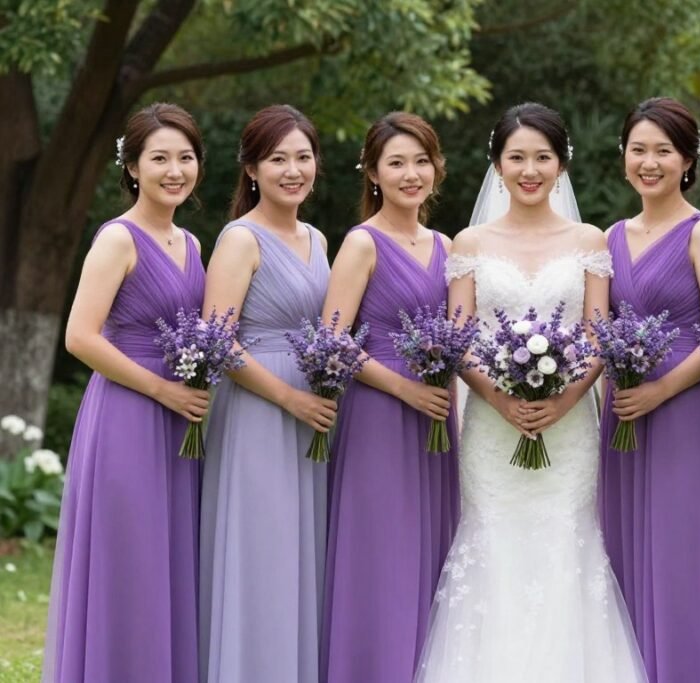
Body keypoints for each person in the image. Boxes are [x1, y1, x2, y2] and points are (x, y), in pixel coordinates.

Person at [415, 102, 647, 682]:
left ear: (561, 164)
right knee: (493, 544)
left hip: (570, 429)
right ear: (497, 165)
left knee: (568, 543)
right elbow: (460, 338)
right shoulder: (467, 243)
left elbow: (598, 333)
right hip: (492, 429)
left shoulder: (590, 239)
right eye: (517, 157)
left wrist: (565, 399)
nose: (530, 169)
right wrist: (499, 397)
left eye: (542, 157)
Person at [43, 103, 207, 683]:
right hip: (127, 416)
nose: (174, 170)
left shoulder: (190, 243)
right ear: (133, 167)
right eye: (159, 158)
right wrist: (163, 390)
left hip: (179, 420)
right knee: (129, 561)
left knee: (167, 561)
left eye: (185, 158)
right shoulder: (118, 238)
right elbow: (80, 337)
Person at [599, 96, 700, 682]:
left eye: (663, 150)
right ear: (624, 158)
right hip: (624, 413)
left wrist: (661, 392)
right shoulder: (610, 237)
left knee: (684, 553)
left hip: (684, 410)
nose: (649, 162)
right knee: (626, 548)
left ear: (687, 160)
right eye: (639, 150)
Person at [319, 112, 460, 682]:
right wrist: (403, 386)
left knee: (430, 545)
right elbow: (332, 340)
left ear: (437, 169)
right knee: (380, 550)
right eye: (396, 163)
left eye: (421, 162)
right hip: (379, 414)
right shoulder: (361, 243)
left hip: (436, 419)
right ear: (373, 173)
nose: (411, 174)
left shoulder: (447, 246)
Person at [199, 104, 333, 683]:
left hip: (316, 410)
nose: (292, 170)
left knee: (301, 554)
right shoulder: (239, 239)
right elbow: (216, 341)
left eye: (302, 157)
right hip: (258, 409)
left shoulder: (319, 237)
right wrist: (288, 397)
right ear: (252, 169)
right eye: (278, 159)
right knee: (262, 549)